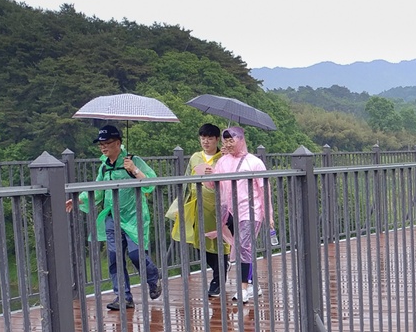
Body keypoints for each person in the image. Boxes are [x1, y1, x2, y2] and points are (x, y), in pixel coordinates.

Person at [68, 125, 160, 311]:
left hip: (135, 216)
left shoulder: (133, 161)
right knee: (115, 257)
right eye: (101, 144)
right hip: (112, 216)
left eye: (107, 143)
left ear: (118, 143)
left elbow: (151, 184)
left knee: (136, 254)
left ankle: (153, 279)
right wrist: (77, 200)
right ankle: (123, 296)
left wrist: (133, 170)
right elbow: (98, 189)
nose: (103, 147)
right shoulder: (105, 167)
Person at [213, 126, 271, 304]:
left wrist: (269, 214)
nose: (229, 144)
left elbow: (263, 188)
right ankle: (253, 284)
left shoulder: (254, 162)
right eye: (225, 141)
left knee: (243, 246)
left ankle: (243, 288)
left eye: (232, 140)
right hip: (230, 211)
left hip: (251, 210)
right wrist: (208, 173)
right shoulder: (223, 162)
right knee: (242, 247)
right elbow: (213, 184)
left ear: (240, 139)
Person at [171, 123, 229, 298]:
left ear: (217, 140)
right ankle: (219, 268)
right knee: (198, 242)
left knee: (219, 242)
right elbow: (188, 178)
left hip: (217, 206)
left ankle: (218, 280)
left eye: (210, 138)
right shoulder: (196, 157)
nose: (206, 141)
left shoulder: (224, 157)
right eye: (203, 138)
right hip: (197, 204)